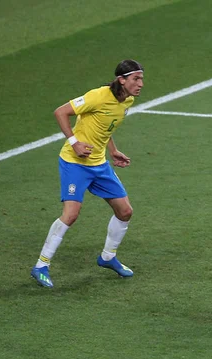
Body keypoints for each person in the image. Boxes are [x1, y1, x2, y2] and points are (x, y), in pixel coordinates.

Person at [31, 59, 145, 288]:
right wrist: (74, 143)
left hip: (99, 164)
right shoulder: (97, 96)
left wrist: (112, 151)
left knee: (125, 211)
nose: (141, 83)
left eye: (141, 78)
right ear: (121, 80)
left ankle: (107, 257)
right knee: (71, 214)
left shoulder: (127, 100)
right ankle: (41, 265)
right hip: (75, 163)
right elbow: (61, 112)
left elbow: (105, 127)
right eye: (136, 79)